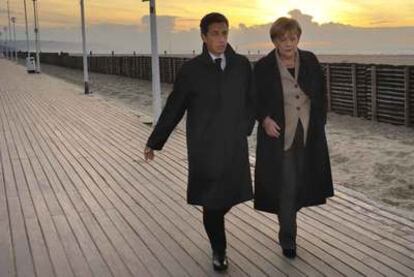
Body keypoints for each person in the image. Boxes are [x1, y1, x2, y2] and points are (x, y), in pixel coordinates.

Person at [144, 12, 255, 271]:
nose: (221, 39)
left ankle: (216, 235)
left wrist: (245, 128)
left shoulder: (241, 65)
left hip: (234, 146)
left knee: (227, 199)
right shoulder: (191, 71)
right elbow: (174, 108)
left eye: (225, 33)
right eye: (215, 34)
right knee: (212, 201)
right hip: (204, 148)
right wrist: (154, 141)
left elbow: (252, 100)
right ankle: (219, 250)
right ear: (203, 36)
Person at [253, 17, 334, 259]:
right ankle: (288, 238)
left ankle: (289, 222)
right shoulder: (263, 67)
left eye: (293, 38)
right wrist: (265, 120)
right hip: (280, 137)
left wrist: (320, 121)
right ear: (275, 41)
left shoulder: (310, 60)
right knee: (286, 187)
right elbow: (254, 99)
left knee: (303, 184)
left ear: (298, 38)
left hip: (309, 135)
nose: (288, 43)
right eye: (283, 39)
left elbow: (321, 92)